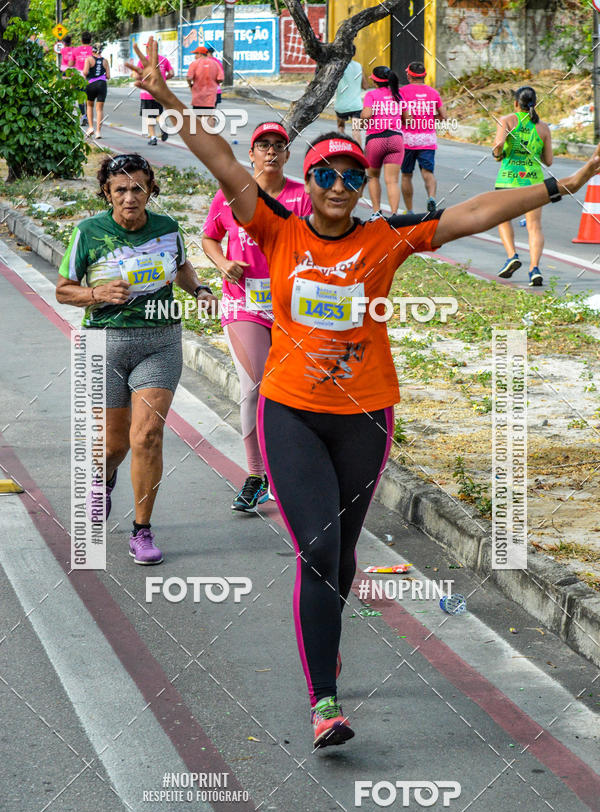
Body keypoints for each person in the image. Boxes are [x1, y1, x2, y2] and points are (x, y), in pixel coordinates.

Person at [130, 37, 600, 748]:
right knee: (318, 549)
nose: (344, 185)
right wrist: (168, 101)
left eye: (353, 176)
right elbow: (222, 162)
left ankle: (328, 635)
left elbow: (475, 213)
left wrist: (560, 186)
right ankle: (325, 701)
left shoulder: (385, 239)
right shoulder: (276, 228)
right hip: (291, 412)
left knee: (342, 556)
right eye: (329, 176)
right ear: (309, 184)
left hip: (365, 417)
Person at [55, 153, 216, 564]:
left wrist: (198, 290)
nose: (130, 197)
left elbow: (181, 269)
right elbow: (63, 289)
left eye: (138, 188)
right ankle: (103, 478)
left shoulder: (167, 229)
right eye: (121, 189)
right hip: (104, 344)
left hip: (159, 340)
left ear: (150, 190)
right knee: (112, 445)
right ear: (107, 192)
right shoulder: (88, 232)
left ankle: (142, 531)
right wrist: (96, 294)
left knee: (147, 436)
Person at [202, 122, 312, 512]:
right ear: (250, 154)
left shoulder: (303, 197)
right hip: (243, 303)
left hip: (296, 308)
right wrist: (223, 263)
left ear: (286, 155)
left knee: (296, 391)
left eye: (277, 146)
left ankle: (290, 471)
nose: (270, 152)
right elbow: (208, 236)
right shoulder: (232, 195)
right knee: (254, 388)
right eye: (262, 145)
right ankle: (255, 475)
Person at [493, 86, 553, 286]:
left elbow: (498, 150)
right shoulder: (543, 127)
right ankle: (534, 269)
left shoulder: (507, 121)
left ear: (516, 103)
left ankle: (512, 256)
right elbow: (549, 161)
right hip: (534, 181)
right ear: (534, 104)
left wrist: (498, 152)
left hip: (508, 180)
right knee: (534, 227)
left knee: (502, 219)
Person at [400, 61, 445, 214]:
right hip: (427, 139)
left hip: (408, 140)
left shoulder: (402, 92)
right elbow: (443, 115)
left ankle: (410, 210)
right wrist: (430, 118)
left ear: (409, 75)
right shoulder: (433, 93)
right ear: (424, 75)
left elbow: (397, 114)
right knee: (428, 172)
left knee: (406, 175)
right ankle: (431, 198)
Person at [361, 66, 407, 215]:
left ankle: (377, 213)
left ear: (375, 81)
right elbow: (408, 119)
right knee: (392, 180)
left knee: (373, 176)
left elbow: (367, 115)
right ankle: (394, 215)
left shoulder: (371, 95)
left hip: (376, 140)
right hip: (395, 139)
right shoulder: (398, 95)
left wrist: (362, 121)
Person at [137, 46, 174, 145]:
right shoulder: (163, 60)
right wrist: (164, 79)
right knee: (158, 113)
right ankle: (163, 126)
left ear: (149, 49)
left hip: (147, 92)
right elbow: (171, 73)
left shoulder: (143, 60)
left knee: (149, 115)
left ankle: (153, 138)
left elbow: (137, 75)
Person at [335, 50, 368, 146]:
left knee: (341, 129)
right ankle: (358, 155)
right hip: (356, 106)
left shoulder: (338, 67)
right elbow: (365, 86)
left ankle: (342, 152)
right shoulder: (359, 66)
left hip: (341, 106)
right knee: (356, 131)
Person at [83, 44, 110, 139]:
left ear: (92, 51)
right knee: (100, 109)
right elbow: (108, 76)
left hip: (91, 84)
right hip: (102, 85)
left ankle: (90, 127)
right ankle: (98, 131)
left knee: (89, 106)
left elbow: (85, 72)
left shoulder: (89, 59)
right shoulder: (105, 61)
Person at [186, 45, 222, 110]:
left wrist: (190, 85)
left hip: (198, 97)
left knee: (198, 117)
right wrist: (214, 83)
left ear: (200, 54)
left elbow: (189, 77)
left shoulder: (194, 64)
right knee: (210, 116)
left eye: (195, 54)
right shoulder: (215, 63)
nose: (195, 56)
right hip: (211, 97)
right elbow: (220, 79)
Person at [74, 31, 94, 126]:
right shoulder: (93, 50)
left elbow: (70, 63)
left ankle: (83, 116)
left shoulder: (76, 50)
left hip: (79, 77)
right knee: (89, 98)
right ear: (90, 40)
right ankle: (88, 116)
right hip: (90, 76)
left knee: (81, 97)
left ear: (81, 40)